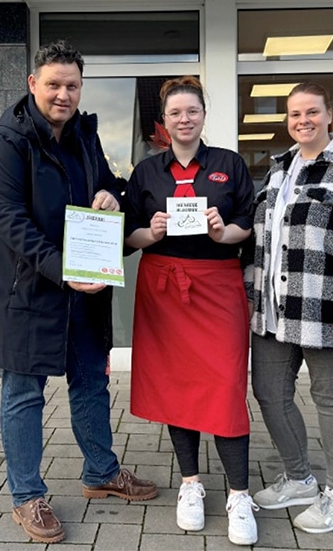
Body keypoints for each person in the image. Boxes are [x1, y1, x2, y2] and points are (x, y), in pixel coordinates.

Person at [0, 41, 158, 545]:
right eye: (53, 84)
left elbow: (112, 185)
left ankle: (101, 472)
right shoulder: (7, 144)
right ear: (33, 84)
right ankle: (27, 496)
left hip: (83, 290)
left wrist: (111, 195)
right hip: (27, 294)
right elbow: (9, 222)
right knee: (24, 393)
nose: (63, 94)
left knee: (91, 384)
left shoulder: (83, 137)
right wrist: (61, 269)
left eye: (72, 85)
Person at [245, 83, 333, 534]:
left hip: (328, 311)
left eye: (311, 112)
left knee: (332, 399)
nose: (302, 120)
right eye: (294, 114)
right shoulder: (279, 169)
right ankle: (299, 478)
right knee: (269, 393)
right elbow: (261, 242)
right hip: (274, 310)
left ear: (330, 115)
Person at [123, 76, 258, 545]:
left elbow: (248, 224)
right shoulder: (147, 172)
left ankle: (239, 494)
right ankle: (191, 485)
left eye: (192, 112)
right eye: (176, 113)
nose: (184, 119)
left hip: (217, 286)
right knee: (179, 386)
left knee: (224, 386)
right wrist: (151, 232)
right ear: (163, 122)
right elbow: (128, 236)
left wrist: (225, 232)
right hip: (163, 288)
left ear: (204, 116)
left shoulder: (229, 164)